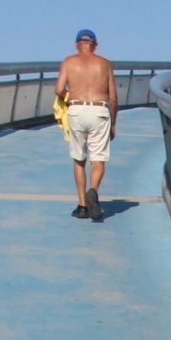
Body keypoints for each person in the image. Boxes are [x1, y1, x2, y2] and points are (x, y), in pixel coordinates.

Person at [55, 29, 117, 221]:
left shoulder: (68, 62)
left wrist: (69, 95)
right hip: (99, 110)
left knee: (79, 159)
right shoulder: (105, 64)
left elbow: (58, 89)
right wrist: (113, 123)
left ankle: (82, 207)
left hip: (76, 109)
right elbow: (113, 97)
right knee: (98, 160)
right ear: (95, 46)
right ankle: (93, 191)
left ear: (76, 45)